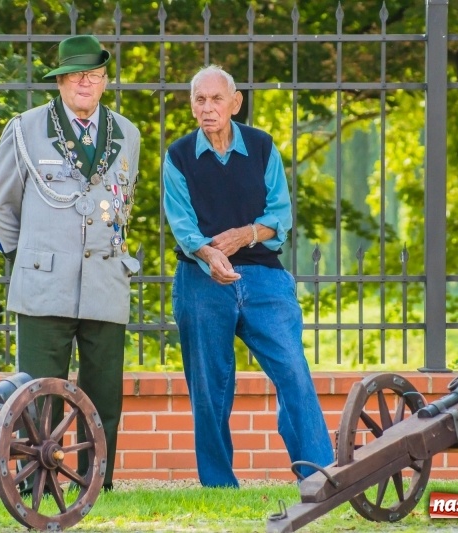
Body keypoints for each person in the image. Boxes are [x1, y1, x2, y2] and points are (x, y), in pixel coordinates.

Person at [162, 65, 334, 488]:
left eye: (216, 99)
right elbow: (182, 226)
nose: (207, 108)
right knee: (210, 386)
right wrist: (208, 255)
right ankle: (219, 484)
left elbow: (281, 215)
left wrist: (246, 235)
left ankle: (320, 475)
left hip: (263, 277)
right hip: (201, 280)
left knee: (292, 369)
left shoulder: (261, 147)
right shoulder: (178, 156)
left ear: (235, 103)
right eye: (199, 100)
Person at [0, 35, 140, 493]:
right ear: (60, 81)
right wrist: (26, 259)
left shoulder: (127, 132)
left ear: (105, 81)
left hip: (105, 283)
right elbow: (0, 208)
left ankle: (96, 484)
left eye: (93, 75)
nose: (84, 83)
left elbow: (121, 203)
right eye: (75, 75)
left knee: (103, 395)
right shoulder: (26, 128)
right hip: (43, 285)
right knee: (37, 396)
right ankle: (36, 484)